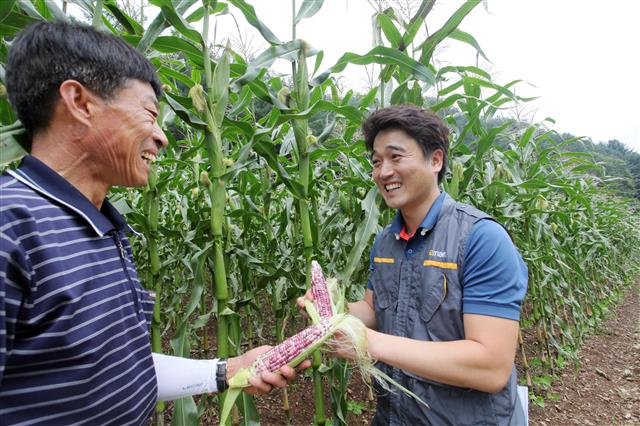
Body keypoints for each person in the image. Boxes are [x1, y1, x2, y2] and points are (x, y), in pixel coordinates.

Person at [0, 21, 307, 425]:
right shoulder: (10, 227)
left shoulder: (100, 226)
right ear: (79, 101)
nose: (162, 137)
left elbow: (121, 367)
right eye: (149, 113)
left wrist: (227, 370)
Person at [300, 105, 528, 425]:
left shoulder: (481, 239)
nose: (383, 172)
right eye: (376, 161)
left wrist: (369, 343)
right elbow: (375, 310)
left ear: (435, 160)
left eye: (396, 157)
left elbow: (490, 366)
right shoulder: (385, 242)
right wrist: (334, 312)